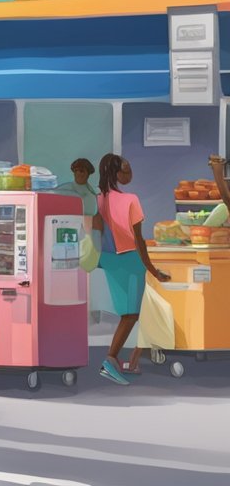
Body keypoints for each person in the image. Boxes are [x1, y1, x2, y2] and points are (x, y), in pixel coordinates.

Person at [94, 154, 170, 384]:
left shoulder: (97, 199)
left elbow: (96, 232)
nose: (130, 175)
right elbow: (139, 241)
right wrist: (153, 269)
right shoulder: (130, 200)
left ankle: (133, 359)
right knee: (132, 314)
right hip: (129, 260)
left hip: (107, 260)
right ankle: (110, 359)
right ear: (116, 174)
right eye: (126, 171)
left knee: (134, 311)